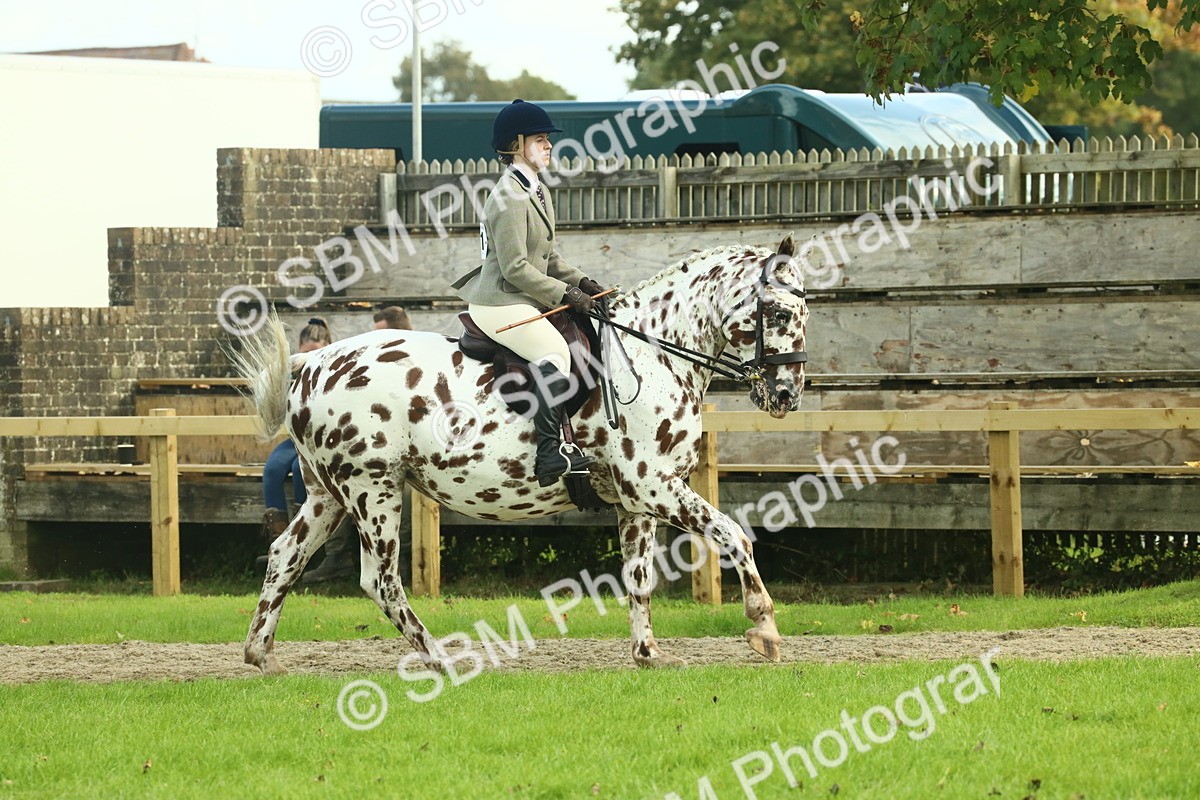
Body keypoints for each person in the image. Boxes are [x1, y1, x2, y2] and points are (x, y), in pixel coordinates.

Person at [451, 99, 607, 487]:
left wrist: (585, 282)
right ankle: (549, 452)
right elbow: (515, 267)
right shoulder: (508, 196)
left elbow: (548, 256)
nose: (549, 146)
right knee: (554, 352)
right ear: (517, 144)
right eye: (540, 140)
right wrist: (565, 294)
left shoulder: (535, 189)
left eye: (547, 140)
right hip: (498, 300)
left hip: (522, 295)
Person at [302, 307, 414, 583]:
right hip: (372, 449)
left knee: (402, 498)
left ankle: (403, 568)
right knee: (336, 483)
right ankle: (336, 559)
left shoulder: (414, 364)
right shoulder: (375, 365)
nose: (374, 341)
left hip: (412, 457)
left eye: (381, 333)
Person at [258, 318, 333, 553]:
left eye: (316, 351)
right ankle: (278, 538)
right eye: (307, 351)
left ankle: (307, 538)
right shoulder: (293, 370)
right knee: (272, 470)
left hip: (321, 439)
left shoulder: (333, 369)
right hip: (295, 437)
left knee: (302, 473)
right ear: (300, 349)